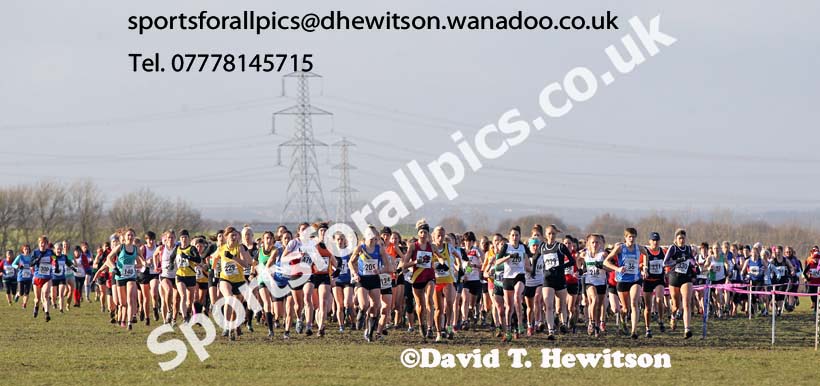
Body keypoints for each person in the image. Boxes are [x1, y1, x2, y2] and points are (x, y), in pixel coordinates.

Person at [349, 225, 389, 342]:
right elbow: (351, 263)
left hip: (375, 279)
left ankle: (369, 332)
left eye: (375, 237)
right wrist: (355, 274)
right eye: (370, 236)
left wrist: (380, 271)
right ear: (366, 236)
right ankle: (361, 314)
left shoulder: (379, 249)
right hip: (363, 279)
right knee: (364, 305)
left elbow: (387, 265)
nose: (373, 239)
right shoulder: (360, 248)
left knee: (375, 306)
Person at [214, 226, 253, 340]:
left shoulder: (240, 248)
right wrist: (212, 269)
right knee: (229, 298)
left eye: (236, 235)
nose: (234, 237)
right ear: (226, 237)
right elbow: (213, 258)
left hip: (239, 280)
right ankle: (227, 326)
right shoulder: (221, 248)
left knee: (236, 305)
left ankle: (235, 325)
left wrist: (233, 258)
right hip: (225, 279)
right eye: (232, 235)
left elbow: (246, 265)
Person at [494, 226, 532, 342]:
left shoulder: (523, 247)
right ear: (509, 236)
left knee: (517, 296)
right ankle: (508, 330)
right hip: (507, 278)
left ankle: (520, 323)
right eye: (513, 235)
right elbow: (497, 262)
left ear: (520, 236)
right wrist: (509, 257)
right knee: (509, 307)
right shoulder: (506, 247)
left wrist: (529, 267)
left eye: (517, 235)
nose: (515, 237)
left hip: (519, 276)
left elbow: (529, 260)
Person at [604, 228, 644, 339]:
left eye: (634, 237)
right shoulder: (620, 248)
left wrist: (645, 266)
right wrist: (617, 268)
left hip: (635, 280)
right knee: (625, 308)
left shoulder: (639, 248)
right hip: (622, 281)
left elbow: (646, 254)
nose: (632, 239)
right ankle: (623, 318)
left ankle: (634, 331)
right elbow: (606, 261)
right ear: (625, 238)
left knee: (634, 303)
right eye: (629, 237)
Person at [402, 219, 437, 340]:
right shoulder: (413, 246)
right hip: (417, 278)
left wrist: (442, 261)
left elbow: (440, 256)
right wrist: (416, 262)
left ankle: (430, 328)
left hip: (429, 276)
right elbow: (404, 265)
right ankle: (421, 325)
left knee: (429, 301)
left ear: (428, 234)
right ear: (418, 233)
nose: (423, 234)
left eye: (425, 232)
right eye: (421, 232)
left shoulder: (431, 246)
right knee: (420, 305)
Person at [539, 224, 573, 340]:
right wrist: (534, 270)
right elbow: (534, 258)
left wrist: (560, 267)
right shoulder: (542, 247)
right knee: (548, 305)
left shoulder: (560, 247)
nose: (551, 236)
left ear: (556, 234)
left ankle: (563, 324)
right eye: (549, 233)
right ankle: (551, 331)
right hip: (547, 279)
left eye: (553, 233)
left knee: (562, 304)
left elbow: (572, 261)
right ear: (545, 235)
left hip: (560, 278)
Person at [663, 229, 698, 339]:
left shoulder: (688, 248)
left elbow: (692, 260)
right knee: (676, 305)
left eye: (683, 238)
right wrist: (678, 260)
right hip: (674, 277)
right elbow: (665, 263)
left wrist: (695, 264)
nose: (682, 240)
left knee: (686, 303)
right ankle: (673, 316)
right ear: (676, 239)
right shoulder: (673, 248)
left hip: (685, 277)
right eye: (680, 238)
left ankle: (687, 329)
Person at [430, 226, 459, 342]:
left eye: (442, 235)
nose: (441, 238)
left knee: (450, 303)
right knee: (438, 309)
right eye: (438, 236)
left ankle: (448, 326)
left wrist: (459, 267)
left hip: (448, 279)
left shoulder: (448, 247)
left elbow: (459, 256)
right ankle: (438, 332)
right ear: (434, 236)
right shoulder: (430, 249)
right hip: (436, 281)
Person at [577, 234, 607, 337]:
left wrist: (603, 266)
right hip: (589, 282)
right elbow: (577, 259)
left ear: (600, 244)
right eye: (592, 242)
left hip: (601, 282)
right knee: (594, 300)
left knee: (598, 306)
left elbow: (611, 266)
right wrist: (580, 269)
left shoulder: (603, 255)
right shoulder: (585, 254)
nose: (595, 244)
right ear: (589, 243)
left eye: (597, 242)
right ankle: (591, 322)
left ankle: (597, 326)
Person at [173, 230, 201, 324]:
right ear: (180, 239)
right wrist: (170, 264)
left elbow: (198, 259)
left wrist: (188, 257)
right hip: (180, 276)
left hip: (191, 276)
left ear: (188, 238)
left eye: (185, 237)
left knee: (190, 301)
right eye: (182, 237)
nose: (184, 239)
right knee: (183, 296)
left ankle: (187, 313)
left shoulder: (192, 248)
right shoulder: (177, 248)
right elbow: (172, 257)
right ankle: (185, 318)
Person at [331, 231, 354, 333]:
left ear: (345, 241)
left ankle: (353, 322)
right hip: (337, 281)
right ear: (334, 241)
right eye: (338, 239)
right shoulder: (331, 253)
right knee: (339, 305)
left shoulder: (349, 252)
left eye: (342, 239)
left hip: (347, 280)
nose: (340, 241)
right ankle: (341, 325)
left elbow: (354, 263)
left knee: (348, 303)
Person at [460, 231, 483, 331]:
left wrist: (474, 266)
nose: (468, 243)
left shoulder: (476, 251)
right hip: (465, 279)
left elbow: (483, 264)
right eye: (466, 241)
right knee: (465, 299)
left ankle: (470, 313)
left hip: (475, 279)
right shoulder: (461, 251)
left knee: (472, 304)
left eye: (470, 241)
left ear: (473, 242)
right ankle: (464, 320)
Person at [31, 235, 55, 322]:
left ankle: (47, 313)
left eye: (45, 243)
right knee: (37, 299)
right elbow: (31, 264)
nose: (43, 245)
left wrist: (56, 264)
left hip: (47, 277)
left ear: (47, 244)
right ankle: (36, 306)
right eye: (41, 243)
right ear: (39, 244)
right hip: (37, 277)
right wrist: (37, 260)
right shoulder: (35, 252)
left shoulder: (50, 252)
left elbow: (55, 258)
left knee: (45, 294)